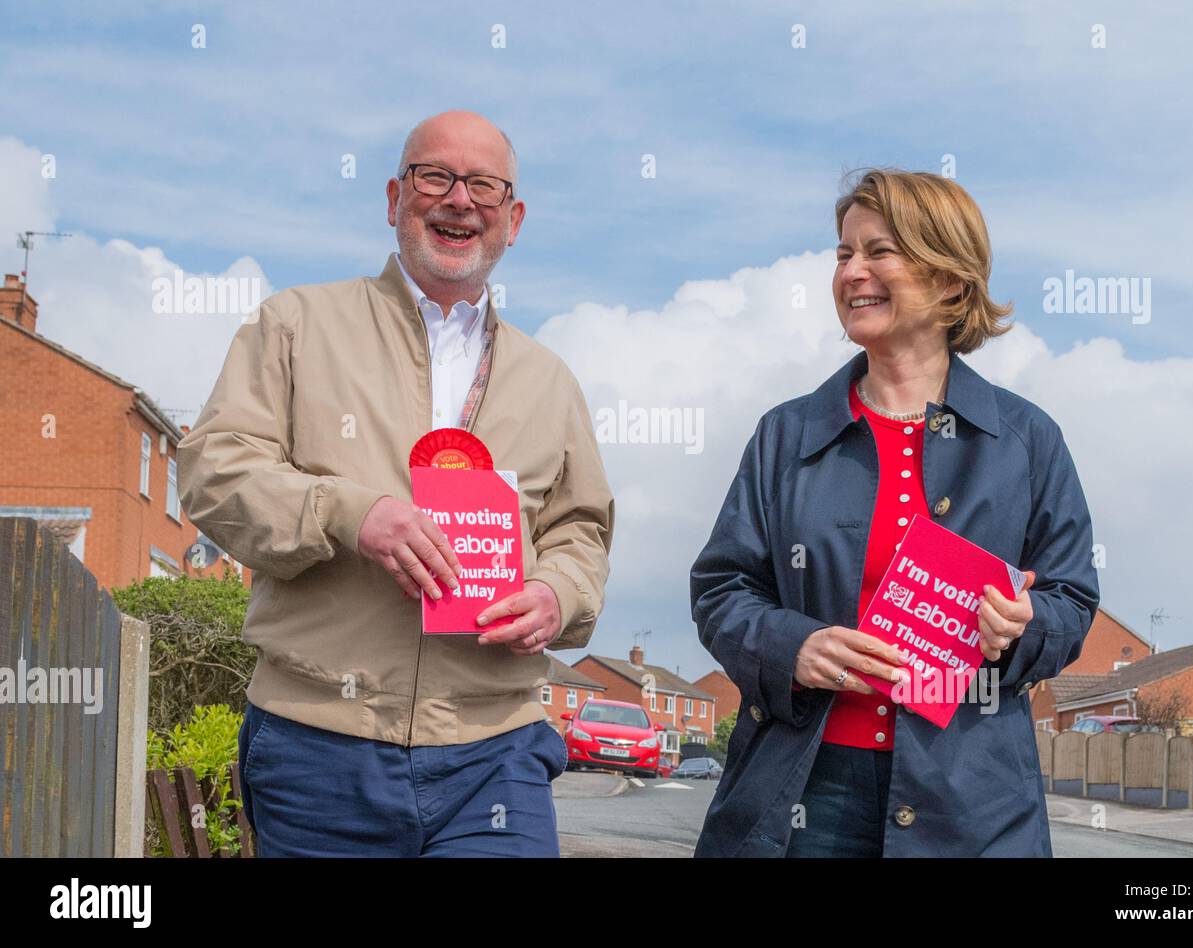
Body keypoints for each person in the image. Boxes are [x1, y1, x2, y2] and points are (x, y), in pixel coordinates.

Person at [178, 110, 615, 857]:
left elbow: (580, 530)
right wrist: (348, 513)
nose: (458, 199)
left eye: (483, 184)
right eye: (434, 176)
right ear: (392, 198)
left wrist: (558, 594)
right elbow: (214, 470)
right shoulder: (293, 325)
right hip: (320, 744)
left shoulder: (552, 380)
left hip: (495, 750)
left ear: (513, 218)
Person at [689, 168, 1099, 857]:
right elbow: (722, 590)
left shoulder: (1028, 441)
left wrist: (1026, 624)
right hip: (804, 794)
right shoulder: (785, 436)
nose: (853, 272)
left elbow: (1072, 600)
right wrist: (795, 645)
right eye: (844, 254)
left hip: (970, 803)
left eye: (880, 251)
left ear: (949, 280)